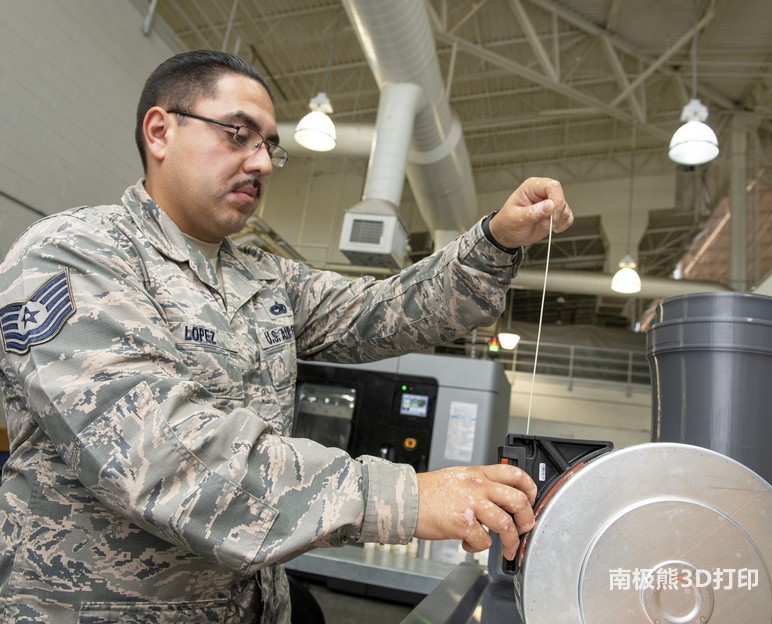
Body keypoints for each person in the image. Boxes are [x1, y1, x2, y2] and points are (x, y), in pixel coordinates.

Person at [0, 50, 573, 623]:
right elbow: (161, 454)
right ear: (159, 131)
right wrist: (407, 497)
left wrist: (496, 241)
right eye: (238, 134)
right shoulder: (74, 255)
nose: (263, 163)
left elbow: (385, 310)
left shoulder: (264, 276)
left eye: (270, 146)